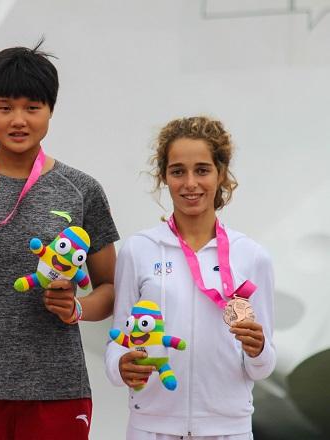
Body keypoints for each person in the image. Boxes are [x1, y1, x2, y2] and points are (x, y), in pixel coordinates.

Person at [0, 42, 120, 440]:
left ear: (50, 110)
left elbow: (112, 290)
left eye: (33, 107)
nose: (18, 120)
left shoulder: (81, 190)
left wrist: (75, 309)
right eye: (5, 106)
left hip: (57, 387)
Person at [105, 116, 275, 440]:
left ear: (221, 174)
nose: (190, 183)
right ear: (164, 177)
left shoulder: (252, 257)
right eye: (178, 171)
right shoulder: (139, 249)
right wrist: (120, 366)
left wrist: (258, 350)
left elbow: (263, 365)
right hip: (150, 427)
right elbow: (118, 339)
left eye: (202, 169)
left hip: (229, 429)